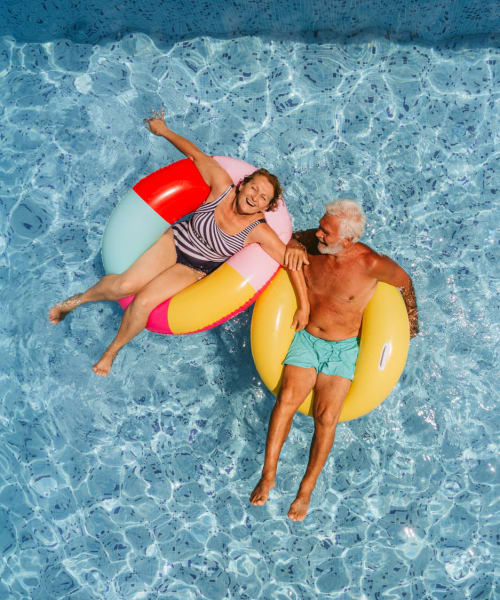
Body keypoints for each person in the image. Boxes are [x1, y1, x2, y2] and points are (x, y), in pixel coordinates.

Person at [48, 109, 308, 376]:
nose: (255, 197)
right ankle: (76, 301)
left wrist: (304, 304)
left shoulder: (259, 230)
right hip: (174, 242)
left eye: (263, 197)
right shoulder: (222, 186)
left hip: (194, 269)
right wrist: (164, 130)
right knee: (125, 285)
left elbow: (290, 263)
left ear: (267, 206)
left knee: (144, 303)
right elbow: (196, 155)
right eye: (254, 188)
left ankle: (111, 352)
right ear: (243, 184)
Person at [250, 199, 419, 521]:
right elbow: (289, 238)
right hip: (308, 337)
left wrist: (411, 321)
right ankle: (268, 474)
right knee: (286, 400)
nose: (319, 234)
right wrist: (296, 245)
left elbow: (405, 283)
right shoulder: (312, 245)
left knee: (327, 418)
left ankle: (305, 490)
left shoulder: (372, 265)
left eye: (327, 232)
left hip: (344, 347)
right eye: (320, 226)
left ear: (349, 240)